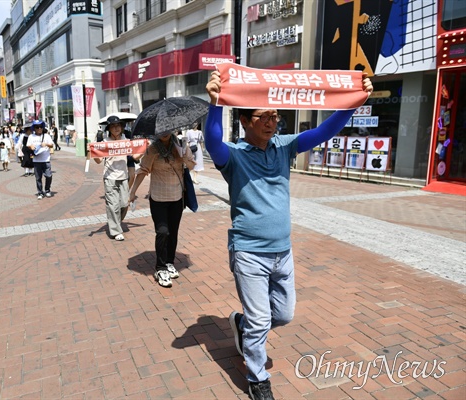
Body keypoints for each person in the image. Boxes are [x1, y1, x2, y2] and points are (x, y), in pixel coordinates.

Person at [204, 70, 373, 400]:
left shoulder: (285, 146)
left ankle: (242, 325)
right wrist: (214, 105)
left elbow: (324, 131)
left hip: (283, 251)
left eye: (275, 115)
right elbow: (212, 142)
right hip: (249, 252)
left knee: (283, 314)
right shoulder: (233, 156)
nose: (271, 122)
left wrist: (355, 102)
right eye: (262, 116)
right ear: (244, 121)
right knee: (260, 318)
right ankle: (257, 377)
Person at [129, 131, 195, 288]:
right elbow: (143, 170)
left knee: (173, 232)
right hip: (158, 198)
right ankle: (160, 267)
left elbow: (192, 166)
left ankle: (170, 262)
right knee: (162, 232)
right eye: (161, 129)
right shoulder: (152, 150)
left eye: (168, 129)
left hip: (177, 197)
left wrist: (184, 156)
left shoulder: (181, 145)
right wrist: (132, 192)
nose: (164, 133)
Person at [94, 116, 131, 241]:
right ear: (109, 128)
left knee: (124, 204)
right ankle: (115, 230)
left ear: (122, 127)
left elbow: (136, 156)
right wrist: (93, 152)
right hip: (110, 177)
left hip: (124, 177)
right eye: (113, 126)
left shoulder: (126, 141)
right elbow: (98, 161)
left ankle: (116, 221)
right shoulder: (105, 142)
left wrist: (144, 147)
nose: (116, 128)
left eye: (118, 125)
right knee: (113, 205)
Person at [27, 120, 54, 199]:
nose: (39, 128)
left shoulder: (46, 136)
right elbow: (28, 145)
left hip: (46, 159)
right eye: (37, 127)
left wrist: (46, 144)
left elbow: (52, 145)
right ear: (34, 128)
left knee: (48, 176)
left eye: (40, 127)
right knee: (38, 178)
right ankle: (40, 192)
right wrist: (31, 146)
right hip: (36, 160)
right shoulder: (31, 136)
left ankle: (47, 190)